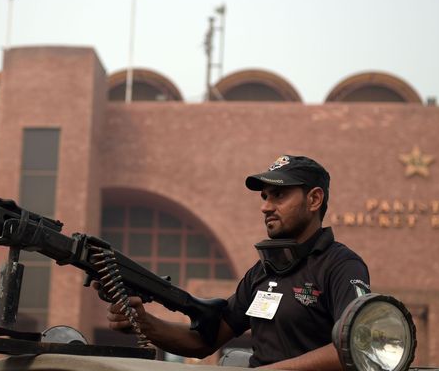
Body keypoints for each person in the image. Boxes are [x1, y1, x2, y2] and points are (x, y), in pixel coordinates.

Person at [104, 155, 371, 369]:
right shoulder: (262, 272)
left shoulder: (341, 265)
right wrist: (144, 322)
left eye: (279, 195)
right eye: (265, 197)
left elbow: (355, 345)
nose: (265, 207)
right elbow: (204, 342)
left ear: (314, 200)